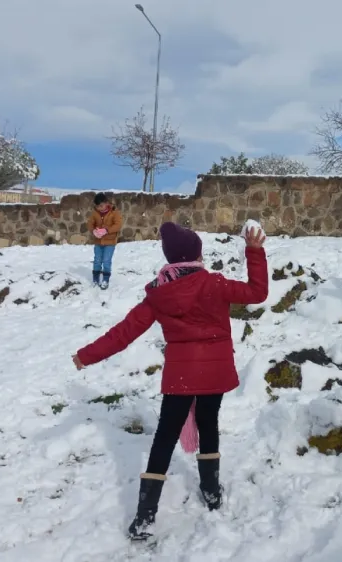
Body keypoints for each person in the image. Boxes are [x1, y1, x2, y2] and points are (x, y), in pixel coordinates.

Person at [71, 222, 269, 541]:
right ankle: (211, 490)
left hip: (180, 377)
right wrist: (255, 252)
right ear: (197, 255)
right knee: (208, 425)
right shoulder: (215, 284)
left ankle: (145, 516)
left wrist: (87, 355)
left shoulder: (158, 295)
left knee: (164, 438)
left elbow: (124, 333)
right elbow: (257, 293)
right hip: (214, 373)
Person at [87, 193, 122, 289]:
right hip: (98, 242)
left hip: (110, 242)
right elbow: (90, 224)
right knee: (97, 260)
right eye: (98, 206)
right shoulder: (95, 213)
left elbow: (118, 225)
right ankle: (95, 279)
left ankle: (105, 279)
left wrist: (107, 230)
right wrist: (93, 230)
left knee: (106, 261)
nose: (100, 208)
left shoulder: (114, 212)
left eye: (101, 206)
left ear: (106, 203)